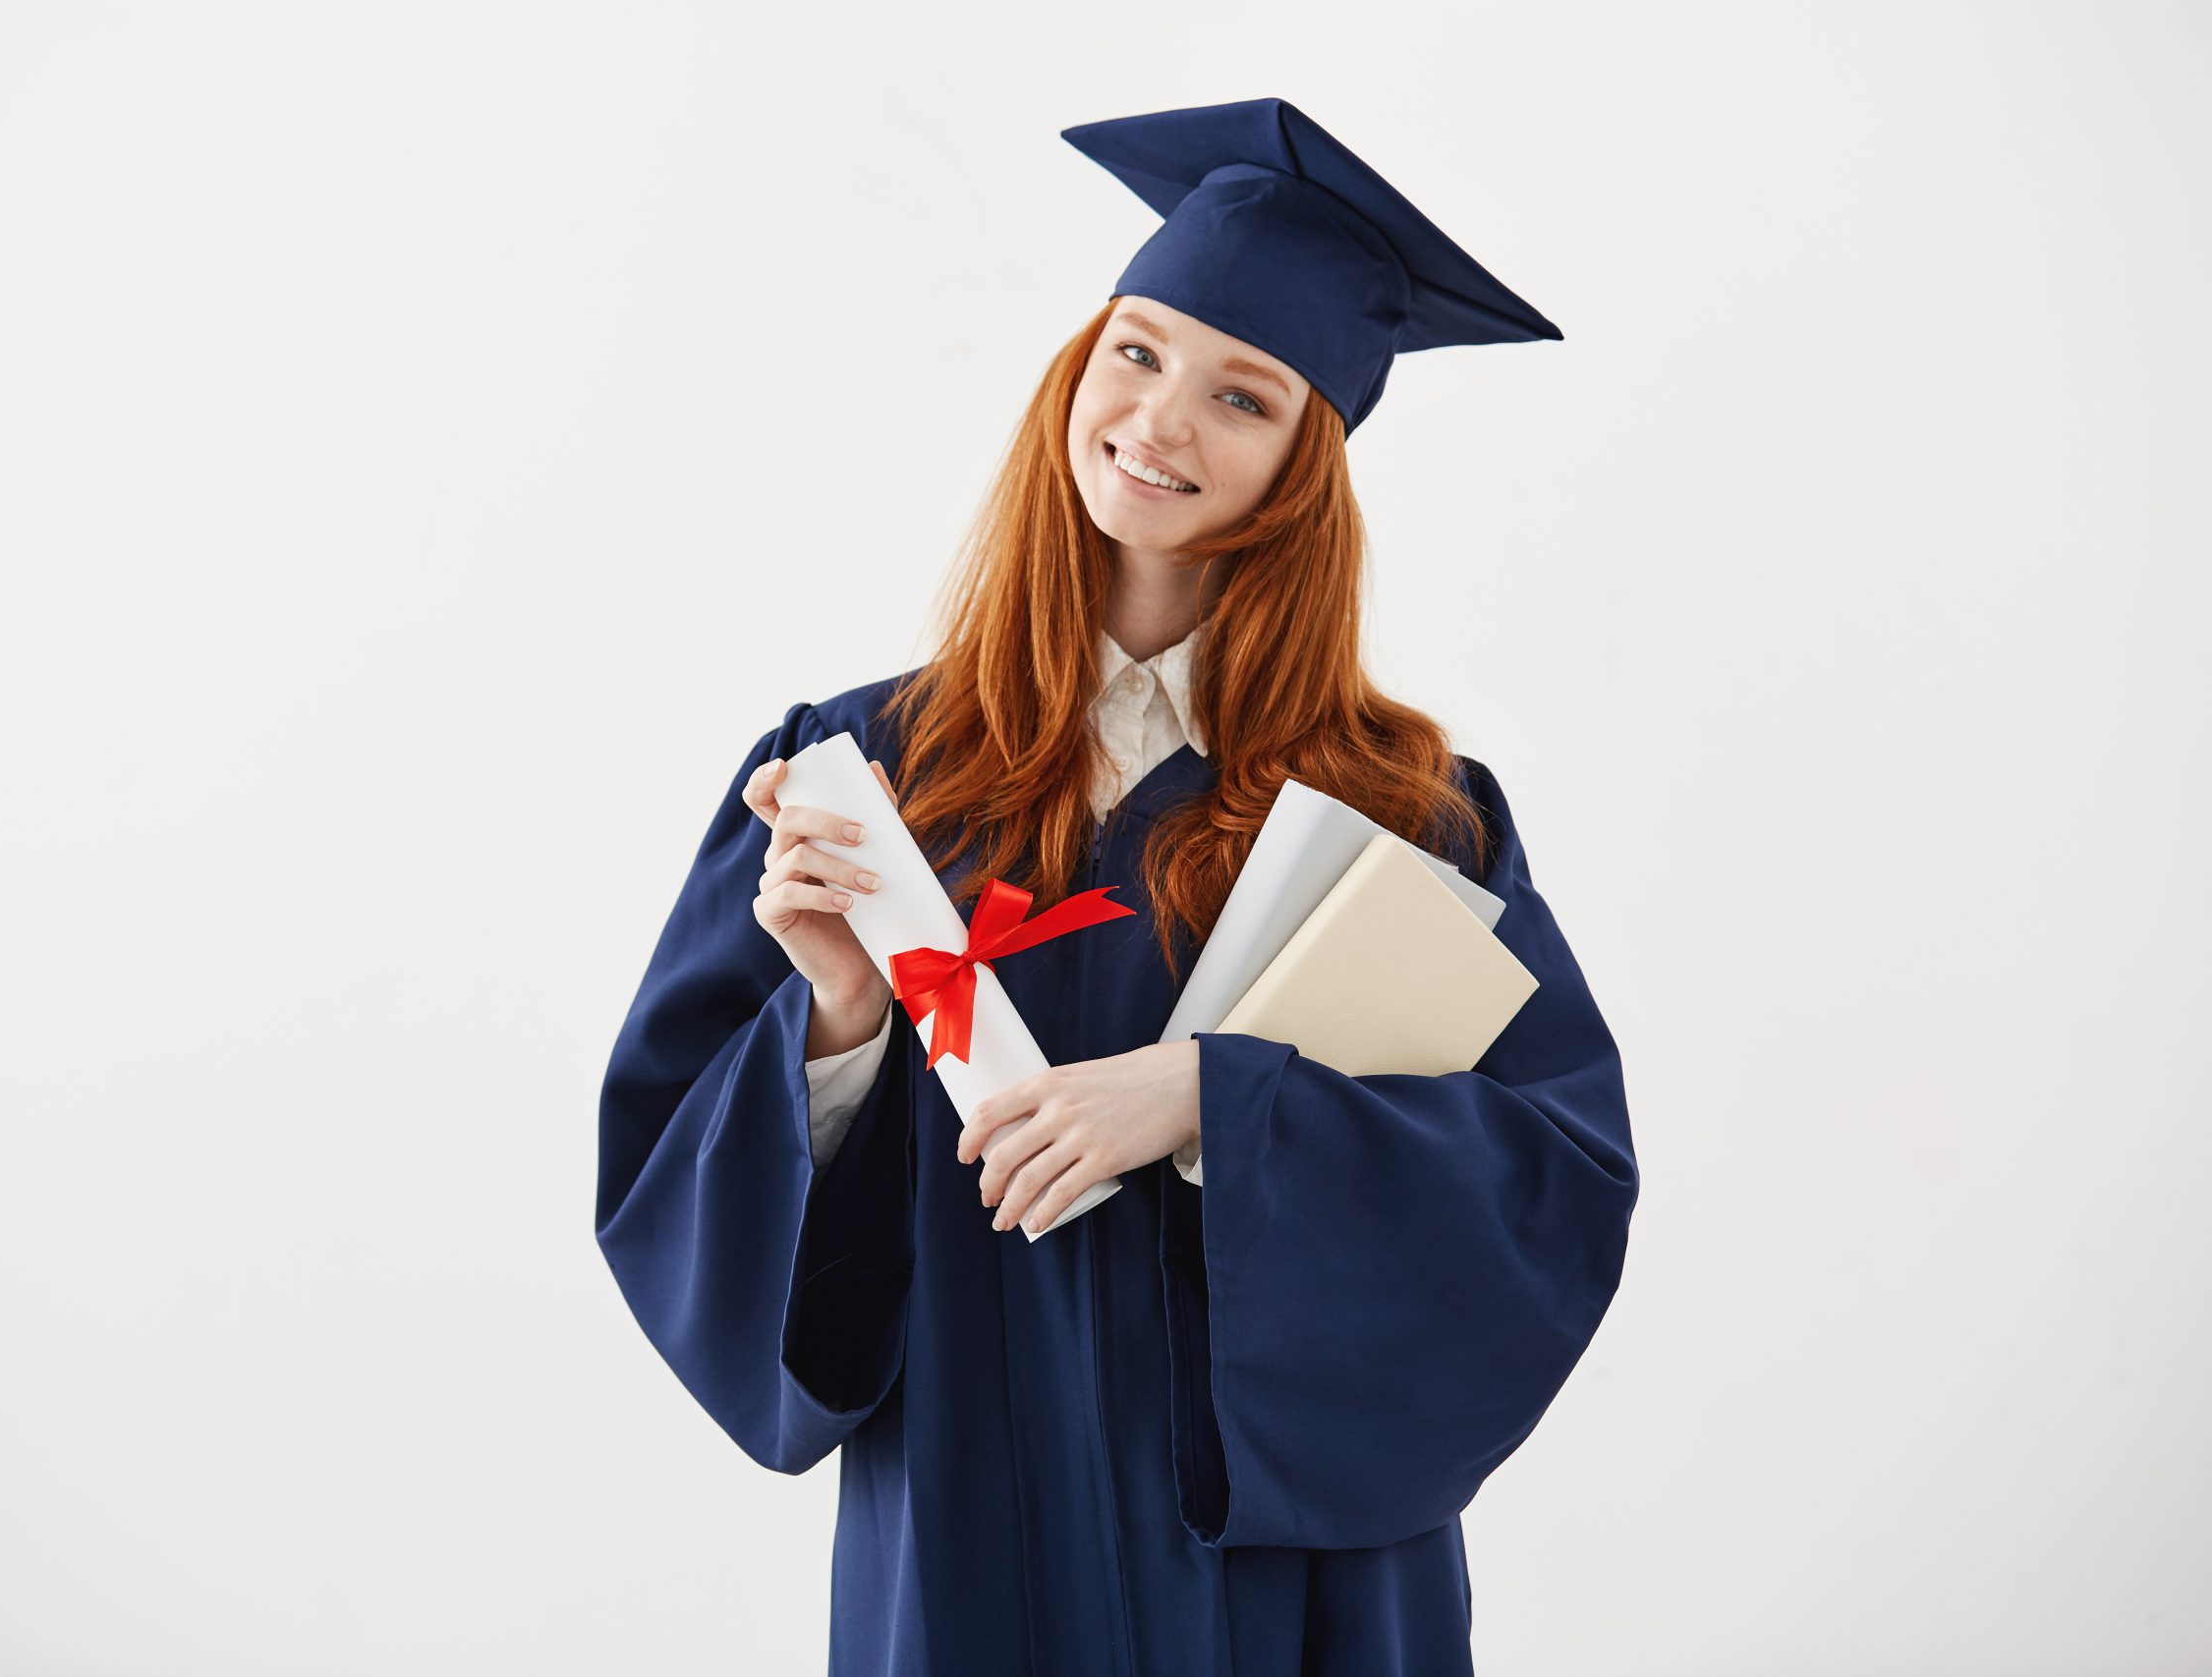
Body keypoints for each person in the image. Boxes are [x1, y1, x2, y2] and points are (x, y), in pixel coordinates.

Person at [595, 96, 1639, 1677]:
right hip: (970, 1550)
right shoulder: (865, 774)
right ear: (1077, 368)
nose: (1160, 420)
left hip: (1298, 1592)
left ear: (1309, 460)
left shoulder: (1406, 815)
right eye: (1138, 351)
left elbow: (1548, 1188)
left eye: (1245, 394)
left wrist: (1214, 1102)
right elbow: (674, 1191)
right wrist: (843, 1015)